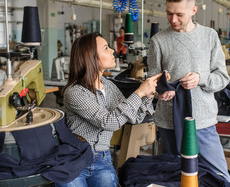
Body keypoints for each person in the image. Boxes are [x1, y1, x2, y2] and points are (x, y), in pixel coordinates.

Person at [56, 32, 162, 187]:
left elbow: (135, 118)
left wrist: (147, 95)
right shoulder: (75, 92)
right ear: (91, 57)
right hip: (74, 160)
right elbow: (109, 122)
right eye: (106, 48)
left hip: (102, 161)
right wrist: (139, 92)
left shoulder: (109, 86)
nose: (113, 50)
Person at [147, 0, 230, 181]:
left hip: (203, 122)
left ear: (194, 10)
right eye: (169, 14)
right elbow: (152, 78)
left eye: (179, 14)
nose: (173, 20)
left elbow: (222, 77)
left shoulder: (209, 36)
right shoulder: (158, 40)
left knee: (219, 176)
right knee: (174, 177)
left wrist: (201, 78)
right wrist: (161, 89)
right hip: (169, 122)